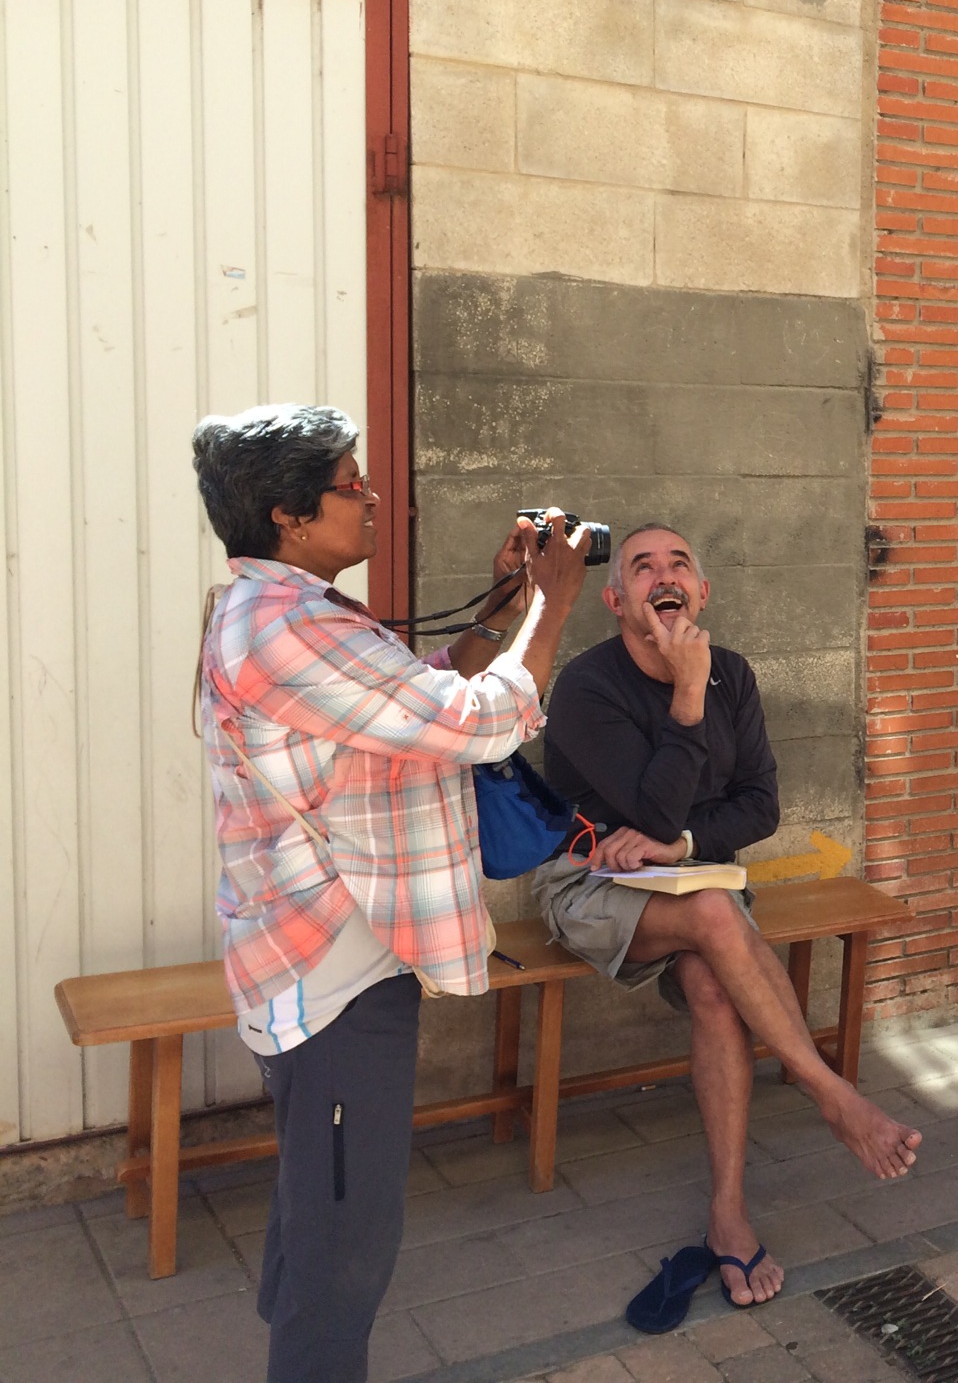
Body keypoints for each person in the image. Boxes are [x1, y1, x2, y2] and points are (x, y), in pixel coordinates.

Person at [192, 404, 589, 1382]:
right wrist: (553, 604)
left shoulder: (283, 613)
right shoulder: (286, 628)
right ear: (288, 514)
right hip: (334, 980)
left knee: (318, 1219)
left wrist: (500, 606)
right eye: (350, 483)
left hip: (320, 964)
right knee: (344, 1254)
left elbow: (409, 695)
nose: (373, 497)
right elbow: (478, 724)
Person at [533, 523, 921, 1308]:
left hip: (691, 873)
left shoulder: (733, 676)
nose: (664, 576)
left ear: (702, 594)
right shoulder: (586, 687)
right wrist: (686, 692)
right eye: (643, 567)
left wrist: (679, 844)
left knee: (714, 984)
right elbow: (649, 806)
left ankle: (729, 1214)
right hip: (589, 879)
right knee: (714, 911)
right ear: (616, 601)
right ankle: (829, 1093)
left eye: (679, 565)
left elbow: (760, 806)